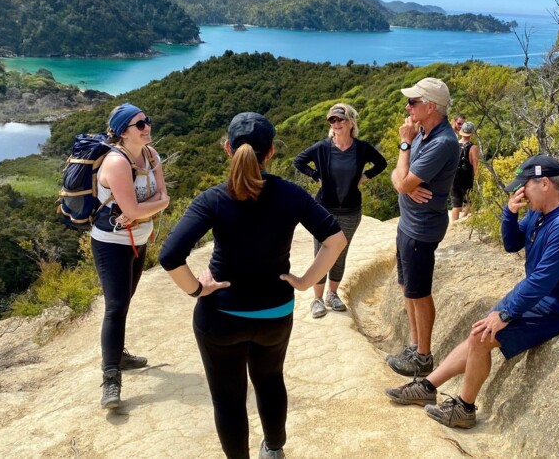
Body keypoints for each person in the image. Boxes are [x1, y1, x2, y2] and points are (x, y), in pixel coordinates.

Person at [159, 112, 347, 459]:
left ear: (228, 149)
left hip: (221, 317)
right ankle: (273, 449)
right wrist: (305, 282)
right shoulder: (292, 195)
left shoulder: (213, 199)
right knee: (271, 379)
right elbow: (335, 239)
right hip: (275, 313)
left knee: (228, 398)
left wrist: (197, 290)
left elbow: (170, 256)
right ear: (271, 151)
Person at [384, 155, 559, 429]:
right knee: (480, 330)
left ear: (544, 183)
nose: (520, 192)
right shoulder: (540, 213)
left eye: (524, 186)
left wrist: (506, 313)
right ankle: (428, 386)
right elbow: (511, 244)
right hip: (541, 297)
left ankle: (464, 408)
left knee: (483, 336)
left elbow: (542, 281)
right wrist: (510, 212)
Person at [94, 103, 170, 410]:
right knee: (115, 306)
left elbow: (164, 198)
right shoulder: (116, 162)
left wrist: (145, 208)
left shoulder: (151, 156)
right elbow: (141, 207)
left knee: (125, 299)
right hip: (111, 243)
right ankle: (110, 379)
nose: (147, 127)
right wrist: (149, 206)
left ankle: (119, 355)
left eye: (147, 121)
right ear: (124, 132)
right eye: (140, 124)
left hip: (138, 240)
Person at [386, 77, 460, 377]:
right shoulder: (424, 134)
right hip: (408, 223)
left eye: (413, 101)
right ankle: (416, 346)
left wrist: (404, 144)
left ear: (430, 106)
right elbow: (397, 176)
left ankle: (424, 356)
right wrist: (405, 186)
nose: (408, 106)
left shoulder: (442, 142)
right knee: (407, 286)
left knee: (420, 292)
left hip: (422, 228)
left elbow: (402, 178)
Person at [293, 103, 387, 318]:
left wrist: (365, 177)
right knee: (321, 252)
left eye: (340, 119)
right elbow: (298, 161)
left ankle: (332, 294)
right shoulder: (322, 148)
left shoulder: (362, 148)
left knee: (340, 253)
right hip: (323, 210)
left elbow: (381, 163)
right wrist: (316, 176)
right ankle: (317, 299)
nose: (336, 124)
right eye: (332, 120)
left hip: (351, 211)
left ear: (351, 122)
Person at [450, 121, 480, 222]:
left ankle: (454, 223)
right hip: (466, 179)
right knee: (468, 202)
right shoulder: (473, 148)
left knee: (456, 205)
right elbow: (475, 165)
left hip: (454, 178)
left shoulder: (454, 144)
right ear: (472, 133)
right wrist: (477, 180)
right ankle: (463, 221)